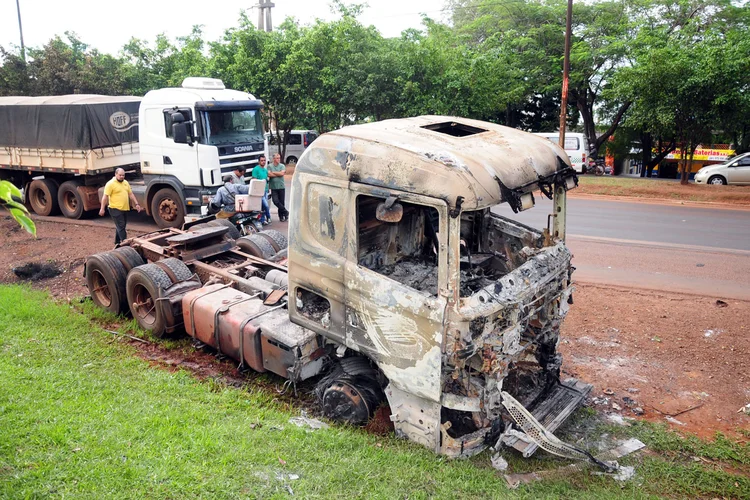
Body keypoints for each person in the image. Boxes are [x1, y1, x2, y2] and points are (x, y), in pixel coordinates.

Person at [99, 168, 142, 245]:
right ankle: (125, 244)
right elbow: (105, 197)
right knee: (121, 226)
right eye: (120, 175)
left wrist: (136, 204)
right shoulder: (110, 184)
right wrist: (102, 209)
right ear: (115, 174)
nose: (122, 177)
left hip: (124, 208)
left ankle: (117, 243)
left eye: (123, 175)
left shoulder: (125, 183)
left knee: (120, 226)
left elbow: (130, 194)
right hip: (114, 208)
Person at [268, 153, 289, 222]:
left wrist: (274, 172)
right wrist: (278, 173)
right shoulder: (270, 166)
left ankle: (281, 216)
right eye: (277, 158)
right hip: (273, 187)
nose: (278, 159)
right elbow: (269, 174)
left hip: (281, 186)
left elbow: (282, 173)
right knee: (275, 201)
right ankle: (285, 211)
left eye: (279, 158)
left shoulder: (282, 166)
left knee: (281, 202)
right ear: (273, 159)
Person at [251, 155, 271, 225]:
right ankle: (269, 217)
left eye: (264, 160)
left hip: (265, 190)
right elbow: (254, 180)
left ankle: (262, 220)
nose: (263, 162)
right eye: (262, 160)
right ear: (259, 161)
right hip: (259, 191)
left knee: (263, 206)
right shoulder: (256, 169)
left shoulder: (265, 170)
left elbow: (266, 180)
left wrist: (268, 188)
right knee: (266, 205)